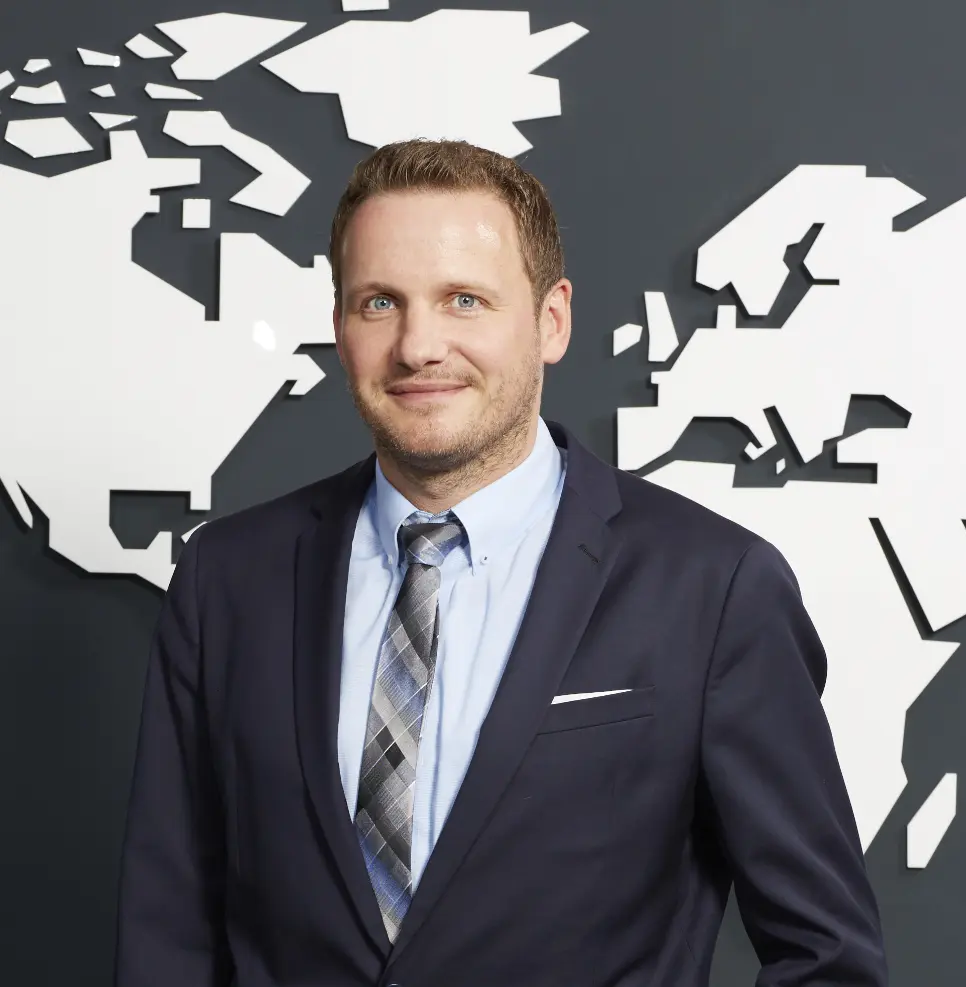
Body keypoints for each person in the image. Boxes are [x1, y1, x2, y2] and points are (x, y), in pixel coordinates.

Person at [114, 138, 889, 987]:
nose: (418, 346)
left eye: (464, 300)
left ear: (552, 321)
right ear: (340, 325)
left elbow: (827, 955)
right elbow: (167, 935)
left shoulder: (712, 586)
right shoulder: (227, 579)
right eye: (380, 302)